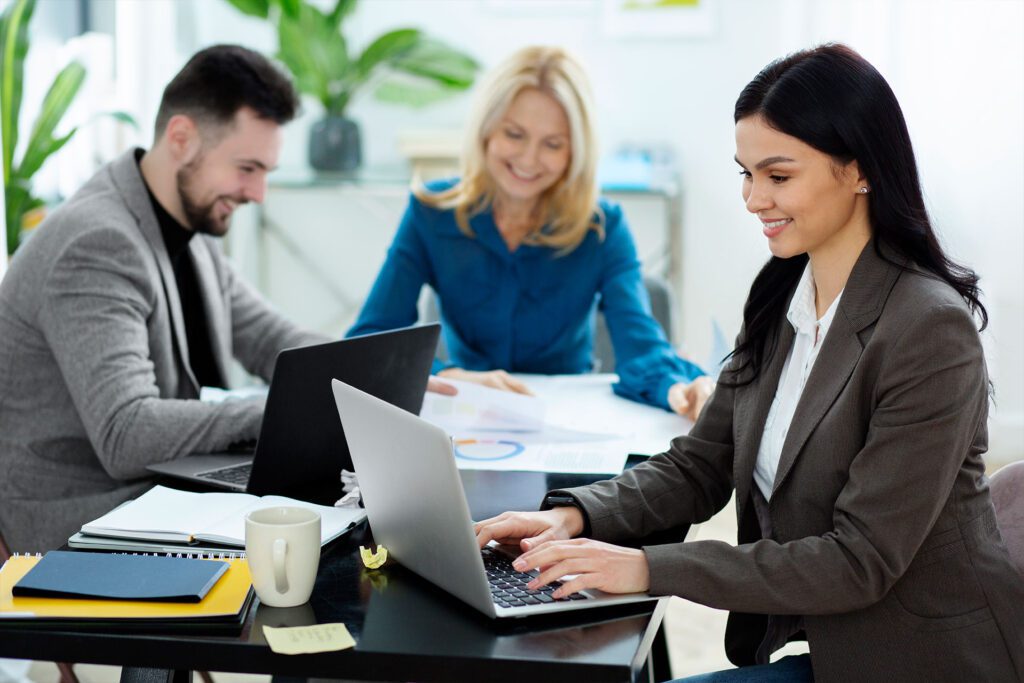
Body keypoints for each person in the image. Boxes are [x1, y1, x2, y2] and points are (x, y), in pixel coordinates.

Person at [473, 44, 1024, 682]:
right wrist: (573, 514)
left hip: (918, 660)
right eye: (746, 173)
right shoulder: (785, 292)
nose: (752, 198)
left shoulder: (929, 330)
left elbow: (859, 560)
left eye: (778, 176)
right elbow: (700, 464)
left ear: (859, 170)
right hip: (828, 641)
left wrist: (648, 568)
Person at [348, 46, 713, 420]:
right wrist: (451, 376)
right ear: (487, 131)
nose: (528, 159)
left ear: (575, 152)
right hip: (466, 418)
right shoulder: (431, 212)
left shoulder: (603, 227)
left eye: (553, 144)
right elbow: (367, 343)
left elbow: (642, 347)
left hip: (566, 423)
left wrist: (677, 389)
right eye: (514, 134)